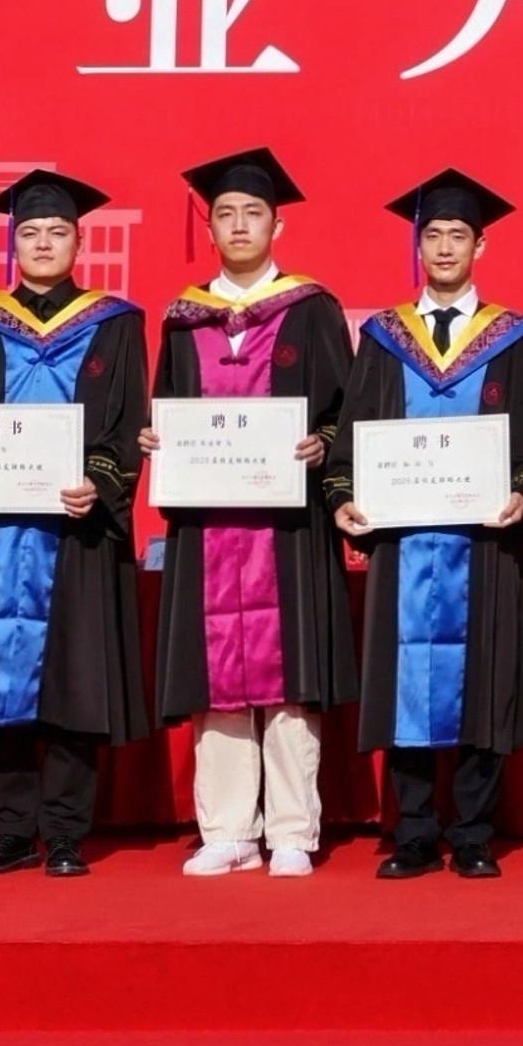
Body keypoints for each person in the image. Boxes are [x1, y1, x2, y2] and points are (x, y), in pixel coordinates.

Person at [152, 147, 361, 881]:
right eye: (226, 214)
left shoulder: (311, 309)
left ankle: (294, 827)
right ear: (210, 228)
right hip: (208, 524)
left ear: (278, 225)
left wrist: (323, 443)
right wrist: (159, 441)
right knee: (215, 671)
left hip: (288, 523)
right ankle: (229, 829)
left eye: (253, 213)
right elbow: (168, 412)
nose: (239, 225)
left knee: (289, 668)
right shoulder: (183, 320)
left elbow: (346, 412)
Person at [0, 171, 147, 877]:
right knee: (5, 678)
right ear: (13, 244)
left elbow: (126, 422)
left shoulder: (114, 323)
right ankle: (10, 830)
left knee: (74, 677)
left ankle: (65, 831)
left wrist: (101, 483)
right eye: (30, 232)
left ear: (79, 242)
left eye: (57, 232)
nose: (44, 243)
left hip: (77, 527)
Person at [332, 168, 523, 881]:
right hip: (403, 544)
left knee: (484, 681)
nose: (446, 247)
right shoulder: (382, 337)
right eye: (434, 235)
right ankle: (416, 831)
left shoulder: (512, 338)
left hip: (483, 543)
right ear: (418, 245)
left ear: (481, 246)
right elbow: (353, 435)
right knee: (406, 681)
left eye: (459, 235)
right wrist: (344, 498)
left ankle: (475, 832)